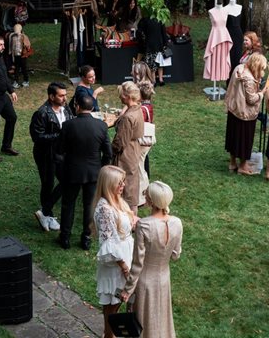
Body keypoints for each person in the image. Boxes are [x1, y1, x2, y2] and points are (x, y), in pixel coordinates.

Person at [120, 181, 183, 338]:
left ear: (151, 201)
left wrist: (128, 289)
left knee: (144, 322)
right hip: (164, 278)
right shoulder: (177, 223)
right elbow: (176, 255)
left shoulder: (144, 225)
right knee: (162, 319)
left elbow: (137, 263)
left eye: (146, 195)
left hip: (146, 281)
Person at [58, 94, 112, 250]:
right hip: (93, 172)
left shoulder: (68, 125)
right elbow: (108, 153)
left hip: (72, 171)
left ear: (77, 106)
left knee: (68, 204)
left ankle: (65, 237)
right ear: (92, 108)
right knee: (89, 206)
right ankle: (86, 238)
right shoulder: (101, 126)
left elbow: (59, 150)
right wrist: (101, 168)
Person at [93, 165, 137, 338]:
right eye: (119, 182)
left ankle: (110, 334)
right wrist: (124, 267)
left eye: (123, 181)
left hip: (126, 256)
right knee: (112, 304)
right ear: (108, 184)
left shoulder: (117, 200)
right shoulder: (104, 209)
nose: (123, 185)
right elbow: (108, 243)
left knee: (118, 302)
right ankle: (108, 335)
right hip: (116, 264)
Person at [30, 82, 73, 233]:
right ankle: (47, 216)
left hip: (61, 153)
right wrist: (59, 136)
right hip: (46, 154)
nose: (64, 98)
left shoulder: (66, 108)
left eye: (65, 95)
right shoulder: (42, 113)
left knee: (67, 180)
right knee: (47, 184)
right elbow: (37, 137)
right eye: (61, 96)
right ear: (51, 96)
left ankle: (45, 212)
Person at [225, 52, 267, 175]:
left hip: (234, 109)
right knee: (244, 140)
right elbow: (251, 100)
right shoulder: (249, 79)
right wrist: (262, 92)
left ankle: (232, 163)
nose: (262, 71)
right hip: (245, 114)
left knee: (233, 137)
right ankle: (243, 166)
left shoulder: (239, 68)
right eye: (262, 68)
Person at [112, 81, 144, 213]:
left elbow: (120, 142)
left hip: (126, 154)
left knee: (125, 187)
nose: (120, 97)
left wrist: (110, 149)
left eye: (121, 95)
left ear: (127, 96)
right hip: (134, 149)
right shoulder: (137, 109)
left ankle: (127, 218)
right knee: (132, 184)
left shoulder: (128, 117)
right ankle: (132, 216)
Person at [137, 15, 170, 86]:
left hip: (150, 45)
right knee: (160, 63)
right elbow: (164, 33)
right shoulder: (160, 19)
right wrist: (165, 43)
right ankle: (161, 80)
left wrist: (143, 41)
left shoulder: (145, 19)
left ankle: (153, 80)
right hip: (159, 44)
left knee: (152, 63)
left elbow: (140, 31)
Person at [138, 80, 155, 178]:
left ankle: (144, 180)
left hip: (142, 137)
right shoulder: (149, 106)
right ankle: (147, 176)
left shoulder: (142, 109)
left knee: (141, 162)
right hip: (148, 137)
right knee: (145, 157)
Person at [7, 23, 31, 88]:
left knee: (24, 68)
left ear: (20, 29)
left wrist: (26, 46)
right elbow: (10, 44)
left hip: (23, 55)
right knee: (16, 69)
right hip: (16, 55)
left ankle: (26, 80)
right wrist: (10, 51)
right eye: (15, 29)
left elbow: (28, 45)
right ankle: (16, 81)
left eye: (17, 29)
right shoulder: (12, 36)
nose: (16, 30)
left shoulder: (24, 36)